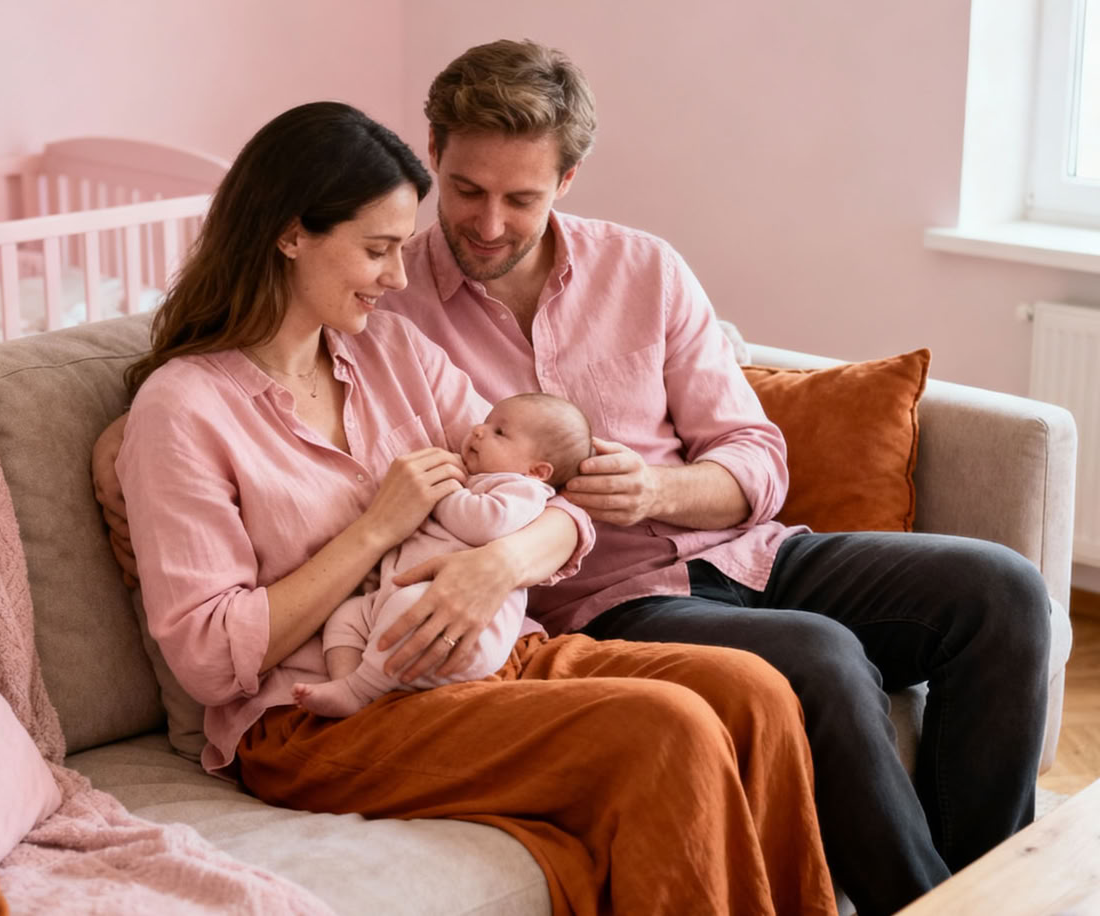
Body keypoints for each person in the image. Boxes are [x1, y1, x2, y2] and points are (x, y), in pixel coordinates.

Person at [93, 40, 1051, 914]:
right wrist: (377, 531)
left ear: (567, 179)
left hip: (530, 626)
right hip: (320, 709)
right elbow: (213, 659)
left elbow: (550, 498)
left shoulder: (385, 353)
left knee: (835, 662)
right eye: (383, 247)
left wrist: (502, 560)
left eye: (520, 198)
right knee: (694, 718)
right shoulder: (194, 406)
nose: (400, 275)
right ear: (291, 235)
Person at [292, 392, 593, 717]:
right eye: (485, 422)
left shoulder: (523, 490)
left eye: (499, 433)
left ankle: (360, 689)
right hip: (395, 602)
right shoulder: (480, 479)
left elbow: (485, 524)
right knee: (347, 617)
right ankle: (346, 682)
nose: (478, 430)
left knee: (409, 609)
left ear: (538, 470)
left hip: (464, 629)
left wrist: (443, 490)